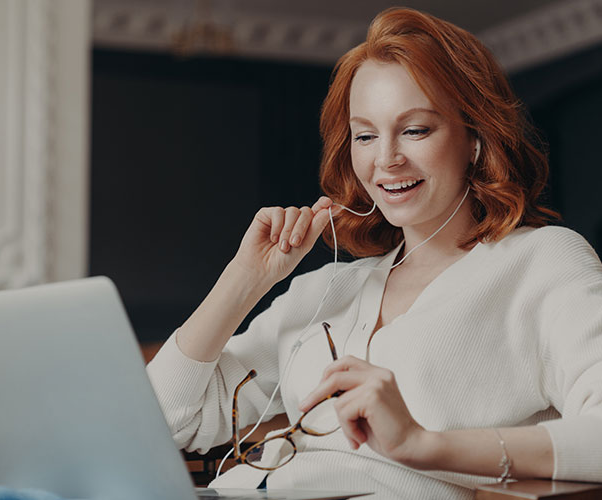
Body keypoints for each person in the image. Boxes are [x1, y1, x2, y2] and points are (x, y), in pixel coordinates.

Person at [146, 7, 602, 500]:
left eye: (416, 130)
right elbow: (162, 422)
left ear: (474, 139)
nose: (386, 159)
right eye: (365, 135)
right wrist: (244, 281)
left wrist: (422, 444)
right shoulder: (327, 289)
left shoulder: (543, 262)